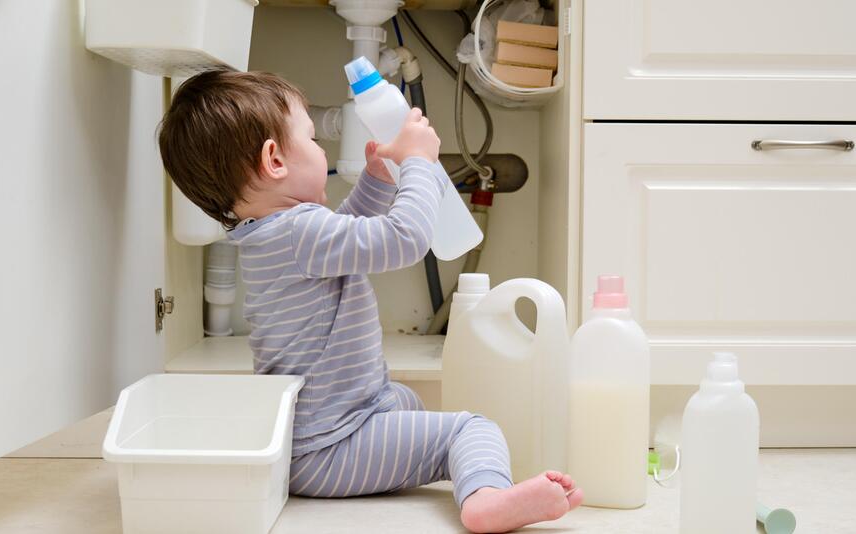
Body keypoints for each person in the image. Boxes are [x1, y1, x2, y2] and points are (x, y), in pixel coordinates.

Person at [158, 69, 583, 533]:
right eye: (313, 139)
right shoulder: (300, 231)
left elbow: (344, 244)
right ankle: (487, 499)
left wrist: (378, 182)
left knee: (405, 401)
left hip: (317, 436)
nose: (322, 150)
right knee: (471, 428)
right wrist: (419, 163)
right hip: (331, 447)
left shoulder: (273, 235)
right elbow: (405, 239)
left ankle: (439, 469)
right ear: (274, 160)